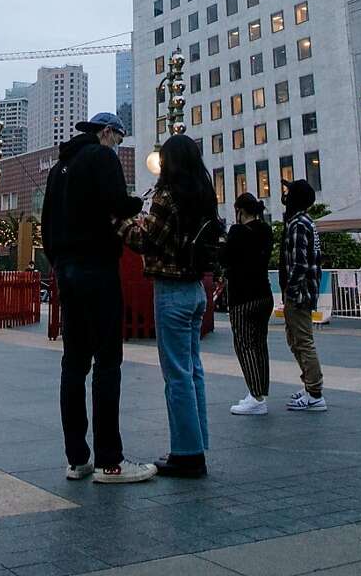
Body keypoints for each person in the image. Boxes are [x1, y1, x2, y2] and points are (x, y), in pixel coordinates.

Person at [40, 111, 155, 484]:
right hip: (97, 267)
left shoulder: (59, 168)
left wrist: (59, 261)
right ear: (107, 132)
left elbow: (46, 223)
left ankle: (77, 459)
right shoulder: (102, 157)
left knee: (73, 364)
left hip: (67, 271)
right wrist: (137, 204)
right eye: (119, 140)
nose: (118, 146)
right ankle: (111, 461)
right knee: (107, 361)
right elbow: (117, 204)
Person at [121, 133, 221, 478]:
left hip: (172, 291)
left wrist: (120, 223)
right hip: (196, 289)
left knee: (176, 374)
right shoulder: (205, 194)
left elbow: (146, 240)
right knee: (193, 371)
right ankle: (197, 443)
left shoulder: (167, 195)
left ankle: (187, 453)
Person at [222, 192, 275, 416]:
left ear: (239, 211)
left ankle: (256, 397)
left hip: (242, 296)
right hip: (264, 293)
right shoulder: (266, 230)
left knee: (245, 345)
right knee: (260, 345)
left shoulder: (237, 232)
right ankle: (260, 391)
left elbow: (224, 258)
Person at [278, 178, 327, 412]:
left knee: (302, 340)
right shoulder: (307, 222)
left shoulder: (298, 224)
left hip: (299, 293)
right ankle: (309, 386)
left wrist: (291, 290)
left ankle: (315, 391)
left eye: (288, 192)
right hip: (306, 290)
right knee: (296, 339)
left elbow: (299, 263)